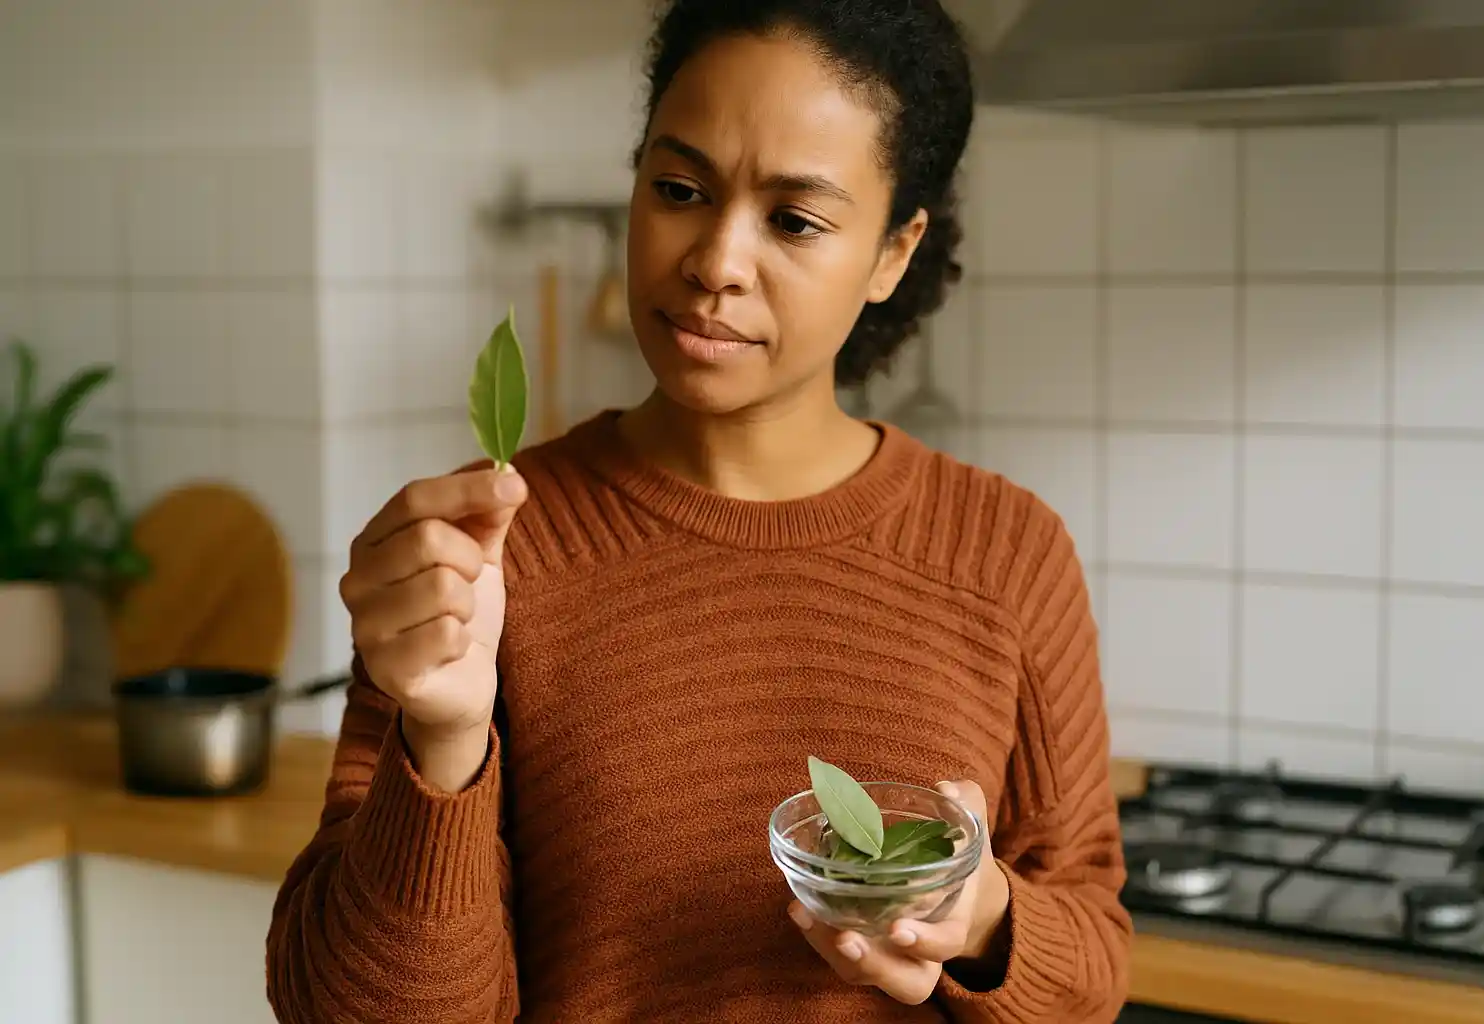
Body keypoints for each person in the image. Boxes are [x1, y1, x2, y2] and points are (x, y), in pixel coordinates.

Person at [264, 0, 1131, 1021]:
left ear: (894, 252)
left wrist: (982, 919)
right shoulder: (481, 555)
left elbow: (1092, 970)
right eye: (679, 190)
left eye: (794, 221)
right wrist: (441, 742)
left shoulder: (1008, 553)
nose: (715, 261)